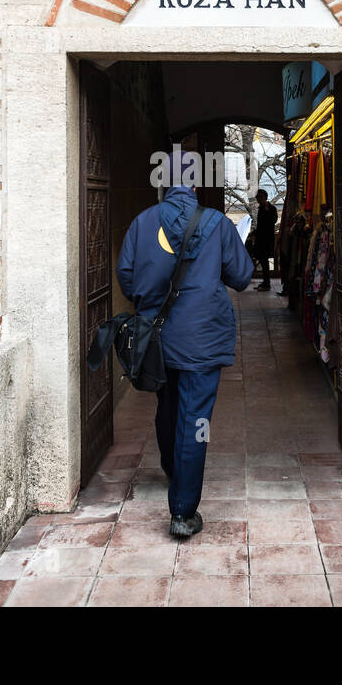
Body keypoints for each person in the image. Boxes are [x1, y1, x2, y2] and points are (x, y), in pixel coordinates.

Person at [117, 151, 253, 538]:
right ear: (195, 184)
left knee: (167, 404)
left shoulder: (143, 222)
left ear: (165, 182)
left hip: (157, 338)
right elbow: (242, 277)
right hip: (202, 340)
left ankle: (173, 467)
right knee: (196, 421)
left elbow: (127, 277)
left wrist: (150, 296)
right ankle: (182, 511)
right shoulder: (217, 224)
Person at [253, 188, 279, 291]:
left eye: (260, 197)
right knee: (263, 261)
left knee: (265, 261)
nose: (259, 199)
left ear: (265, 197)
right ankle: (265, 281)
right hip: (260, 239)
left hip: (267, 239)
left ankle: (267, 283)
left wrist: (267, 211)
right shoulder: (260, 209)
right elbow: (260, 225)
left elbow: (273, 221)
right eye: (257, 197)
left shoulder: (271, 208)